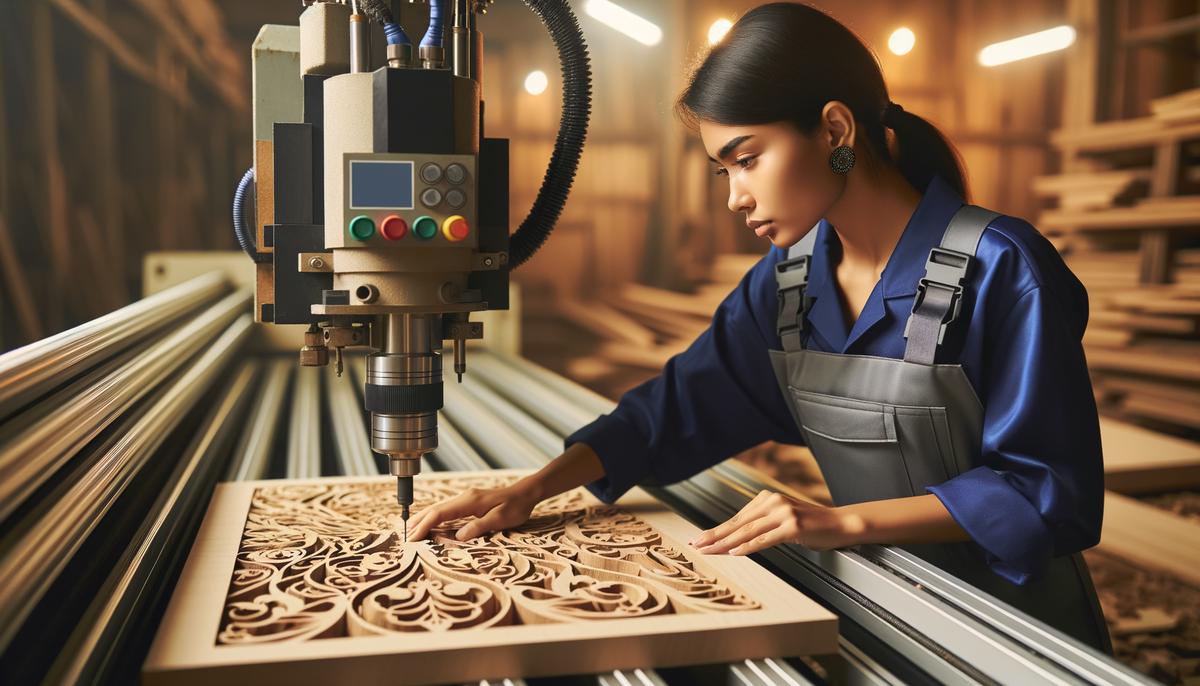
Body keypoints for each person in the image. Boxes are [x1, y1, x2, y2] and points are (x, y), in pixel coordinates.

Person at [408, 2, 1111, 652]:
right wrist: (533, 488)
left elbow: (1051, 493)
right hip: (892, 603)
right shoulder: (788, 287)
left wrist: (847, 522)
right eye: (723, 172)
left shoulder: (1002, 267)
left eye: (747, 160)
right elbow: (675, 410)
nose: (736, 196)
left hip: (1021, 633)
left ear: (835, 130)